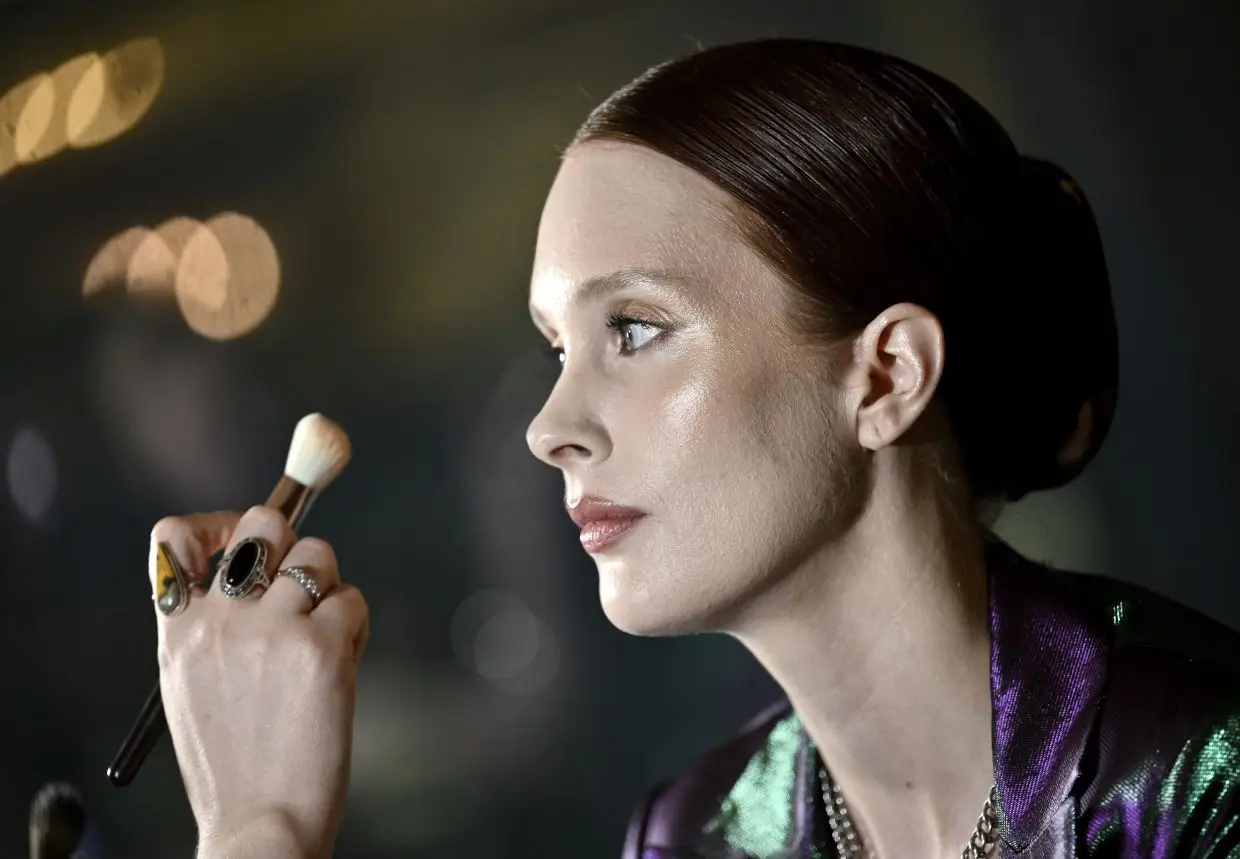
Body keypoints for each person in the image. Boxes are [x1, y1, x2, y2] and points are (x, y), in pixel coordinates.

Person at [149, 39, 1240, 859]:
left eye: (632, 329)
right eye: (554, 346)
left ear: (886, 374)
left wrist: (260, 830)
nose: (546, 427)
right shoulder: (688, 837)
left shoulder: (1200, 772)